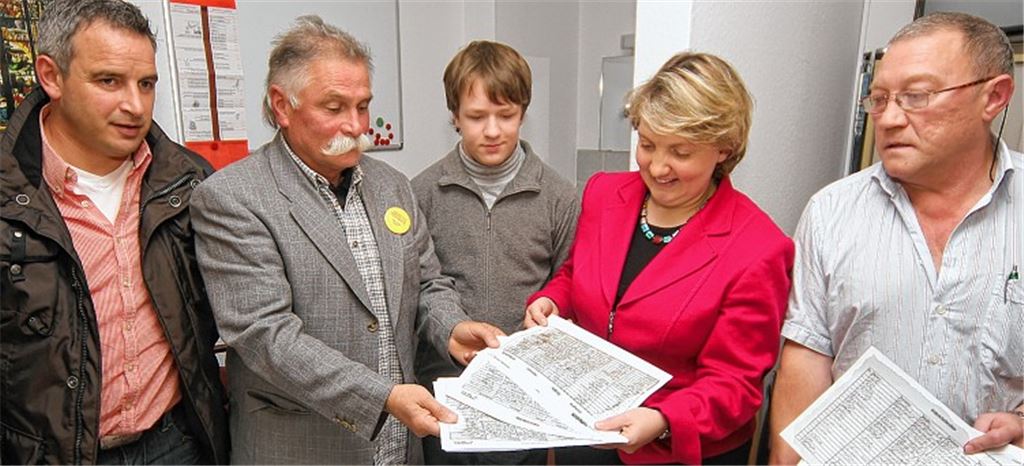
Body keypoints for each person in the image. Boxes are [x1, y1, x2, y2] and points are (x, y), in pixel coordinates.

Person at [189, 16, 503, 465]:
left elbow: (429, 283)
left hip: (398, 446)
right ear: (282, 106)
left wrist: (451, 327)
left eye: (363, 106)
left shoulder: (392, 186)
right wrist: (382, 396)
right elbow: (267, 336)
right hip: (305, 447)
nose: (356, 125)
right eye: (334, 108)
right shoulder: (233, 198)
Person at [769, 11, 1022, 465]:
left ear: (994, 97)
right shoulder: (831, 212)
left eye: (917, 97)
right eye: (879, 98)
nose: (888, 119)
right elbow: (806, 361)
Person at [524, 51, 794, 465]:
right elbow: (577, 272)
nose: (658, 166)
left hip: (676, 449)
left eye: (681, 152)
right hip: (586, 429)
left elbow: (735, 384)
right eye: (647, 145)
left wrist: (663, 418)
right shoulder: (602, 193)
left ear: (724, 148)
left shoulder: (757, 248)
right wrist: (554, 300)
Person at [0, 0, 228, 464]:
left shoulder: (186, 181)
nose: (135, 105)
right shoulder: (10, 194)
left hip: (175, 443)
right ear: (51, 76)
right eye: (109, 81)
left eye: (146, 84)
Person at [412, 40, 579, 465]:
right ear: (453, 116)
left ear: (524, 112)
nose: (492, 131)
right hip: (444, 391)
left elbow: (568, 283)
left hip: (524, 395)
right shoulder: (422, 193)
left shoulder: (559, 196)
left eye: (506, 116)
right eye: (476, 117)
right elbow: (417, 291)